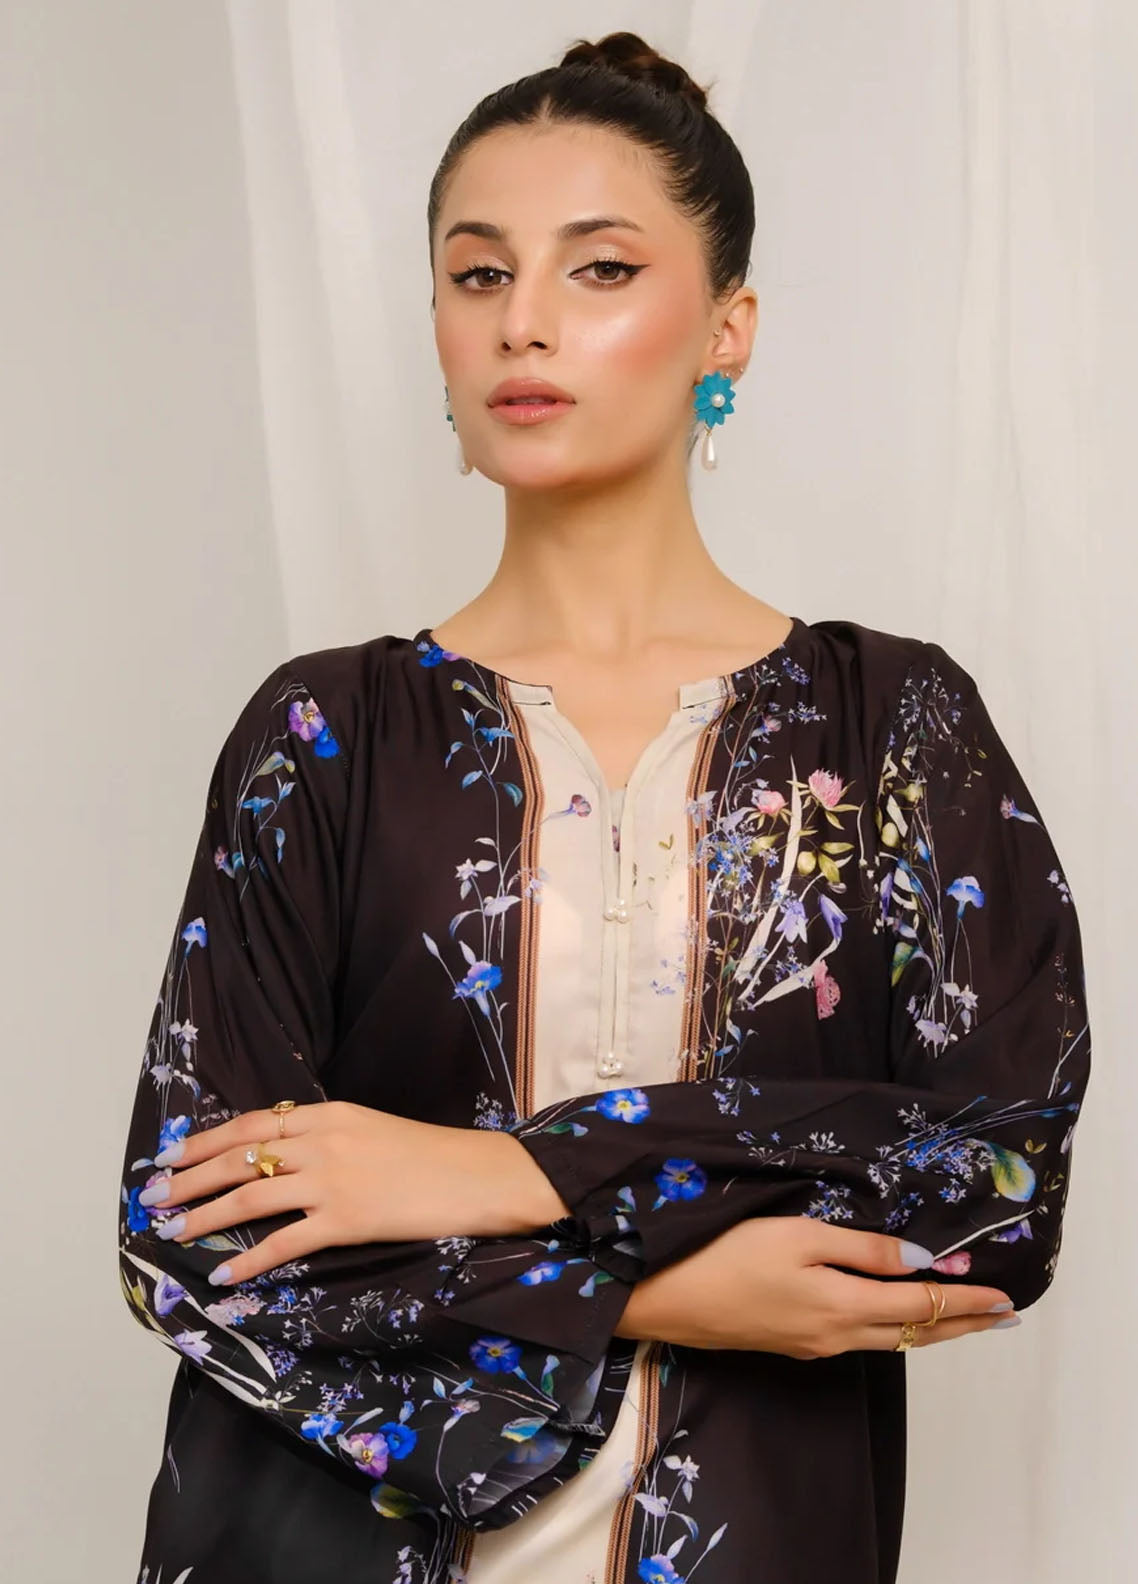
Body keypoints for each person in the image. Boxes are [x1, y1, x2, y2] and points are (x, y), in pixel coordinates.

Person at [118, 30, 1091, 1584]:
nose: (524, 321)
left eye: (600, 269)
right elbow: (192, 1235)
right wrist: (653, 1292)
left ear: (726, 326)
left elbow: (994, 1178)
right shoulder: (324, 735)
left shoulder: (893, 725)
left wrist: (509, 1170)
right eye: (478, 274)